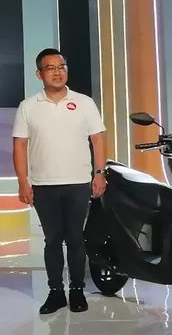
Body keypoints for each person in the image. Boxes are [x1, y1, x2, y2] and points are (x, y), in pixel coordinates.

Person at [12, 48, 107, 314]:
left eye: (61, 66)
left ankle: (77, 291)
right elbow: (19, 146)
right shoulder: (28, 107)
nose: (57, 72)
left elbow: (98, 139)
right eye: (50, 68)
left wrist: (100, 173)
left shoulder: (84, 103)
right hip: (43, 184)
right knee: (52, 239)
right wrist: (23, 182)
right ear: (39, 74)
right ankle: (56, 292)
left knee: (76, 238)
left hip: (78, 182)